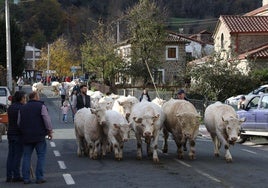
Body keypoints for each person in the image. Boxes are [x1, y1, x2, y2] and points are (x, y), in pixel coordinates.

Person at [18, 92, 53, 184]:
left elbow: (19, 122)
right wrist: (49, 131)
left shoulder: (22, 107)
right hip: (39, 135)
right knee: (41, 156)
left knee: (26, 157)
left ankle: (26, 178)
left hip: (26, 136)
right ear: (36, 97)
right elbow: (46, 120)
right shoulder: (41, 106)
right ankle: (39, 177)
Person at [6, 91, 27, 183]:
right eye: (25, 98)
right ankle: (16, 175)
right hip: (19, 134)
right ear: (21, 98)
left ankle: (9, 175)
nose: (25, 99)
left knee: (11, 155)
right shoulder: (22, 108)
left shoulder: (10, 107)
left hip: (10, 133)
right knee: (18, 156)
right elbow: (22, 122)